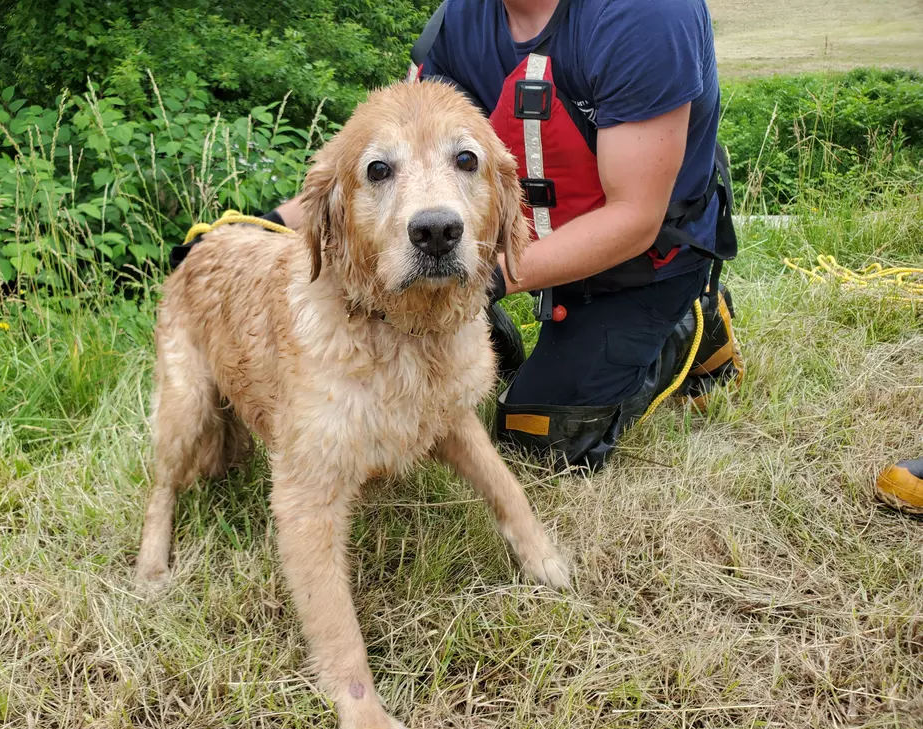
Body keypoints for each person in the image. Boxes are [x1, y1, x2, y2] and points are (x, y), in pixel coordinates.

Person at [181, 0, 746, 471]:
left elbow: (635, 219)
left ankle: (691, 324)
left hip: (642, 262)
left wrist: (486, 278)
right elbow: (386, 171)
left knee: (541, 437)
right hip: (509, 254)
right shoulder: (459, 22)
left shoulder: (642, 16)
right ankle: (542, 332)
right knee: (418, 376)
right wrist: (261, 226)